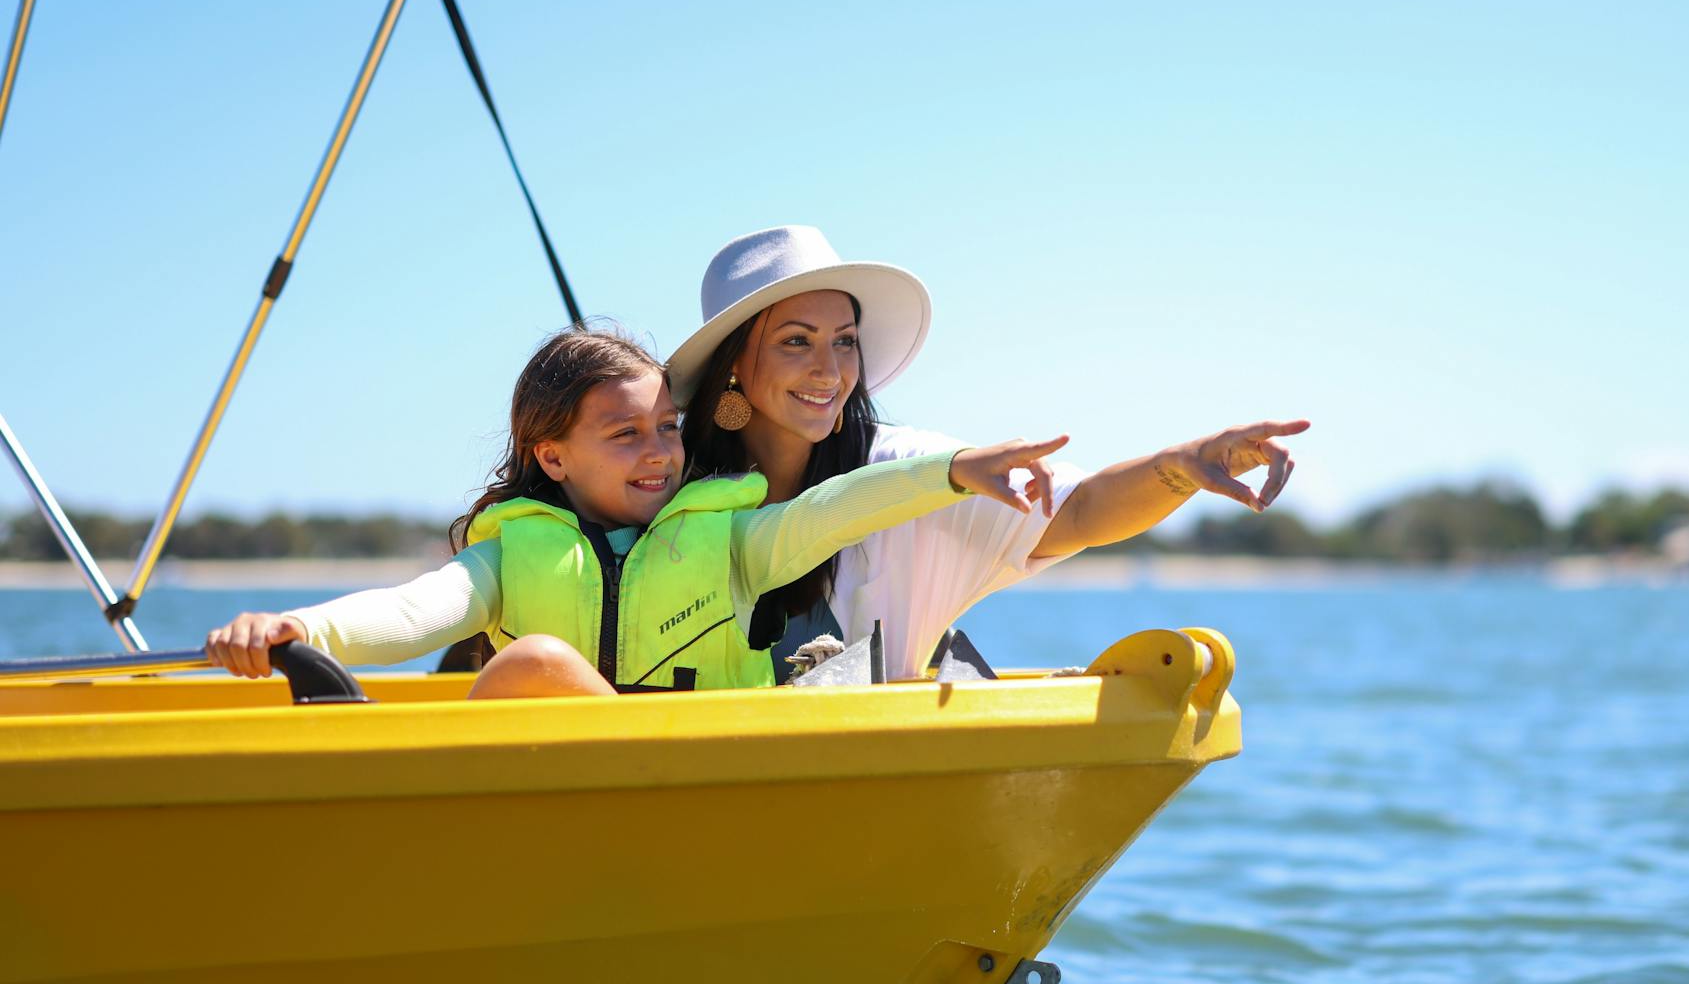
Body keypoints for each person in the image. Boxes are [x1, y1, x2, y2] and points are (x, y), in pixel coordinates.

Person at [203, 325, 1067, 695]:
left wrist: (951, 472)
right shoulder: (507, 557)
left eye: (666, 428)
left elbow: (833, 512)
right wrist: (296, 631)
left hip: (707, 798)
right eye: (624, 435)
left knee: (534, 665)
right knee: (533, 666)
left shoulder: (732, 543)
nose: (658, 451)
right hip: (574, 813)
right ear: (553, 456)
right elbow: (409, 612)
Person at [669, 226, 1310, 680]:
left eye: (844, 341)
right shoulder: (667, 485)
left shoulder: (910, 468)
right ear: (733, 364)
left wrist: (1179, 467)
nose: (830, 370)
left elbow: (1080, 510)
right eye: (796, 341)